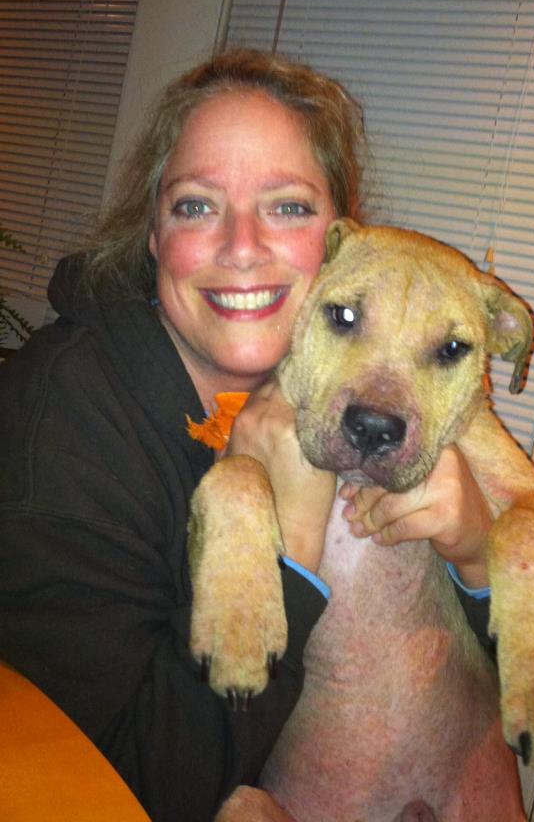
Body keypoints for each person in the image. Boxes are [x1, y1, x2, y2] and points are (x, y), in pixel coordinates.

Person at [0, 48, 495, 822]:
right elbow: (96, 787)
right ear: (154, 234)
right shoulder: (63, 422)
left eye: (287, 207)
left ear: (342, 241)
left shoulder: (346, 390)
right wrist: (288, 541)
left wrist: (477, 558)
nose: (241, 246)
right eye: (196, 206)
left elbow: (484, 677)